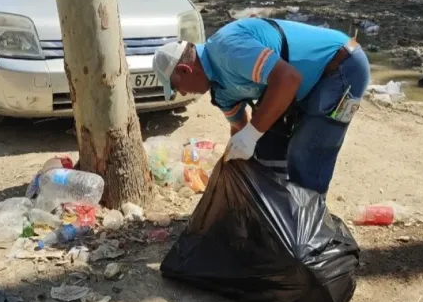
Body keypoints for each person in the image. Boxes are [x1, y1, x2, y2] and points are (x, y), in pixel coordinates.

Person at [151, 18, 370, 194]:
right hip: (304, 84)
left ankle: (308, 231)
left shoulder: (227, 49)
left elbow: (288, 79)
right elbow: (240, 129)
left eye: (176, 86)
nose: (181, 93)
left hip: (340, 65)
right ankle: (288, 219)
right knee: (268, 146)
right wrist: (231, 166)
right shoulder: (221, 92)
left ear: (184, 70)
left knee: (306, 149)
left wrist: (251, 134)